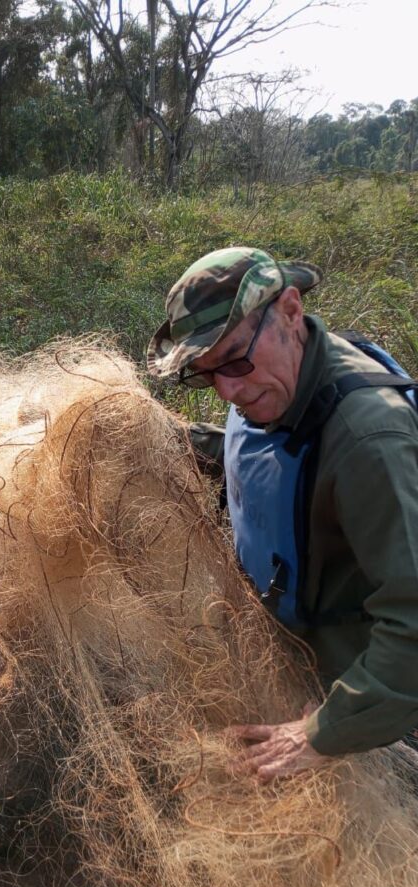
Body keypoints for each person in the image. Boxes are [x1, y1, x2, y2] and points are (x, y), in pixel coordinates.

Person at [146, 247, 418, 782]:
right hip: (286, 647)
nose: (228, 389)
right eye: (205, 375)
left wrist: (321, 734)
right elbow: (285, 461)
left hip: (348, 690)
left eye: (234, 361)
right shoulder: (281, 377)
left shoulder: (371, 442)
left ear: (290, 310)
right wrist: (167, 442)